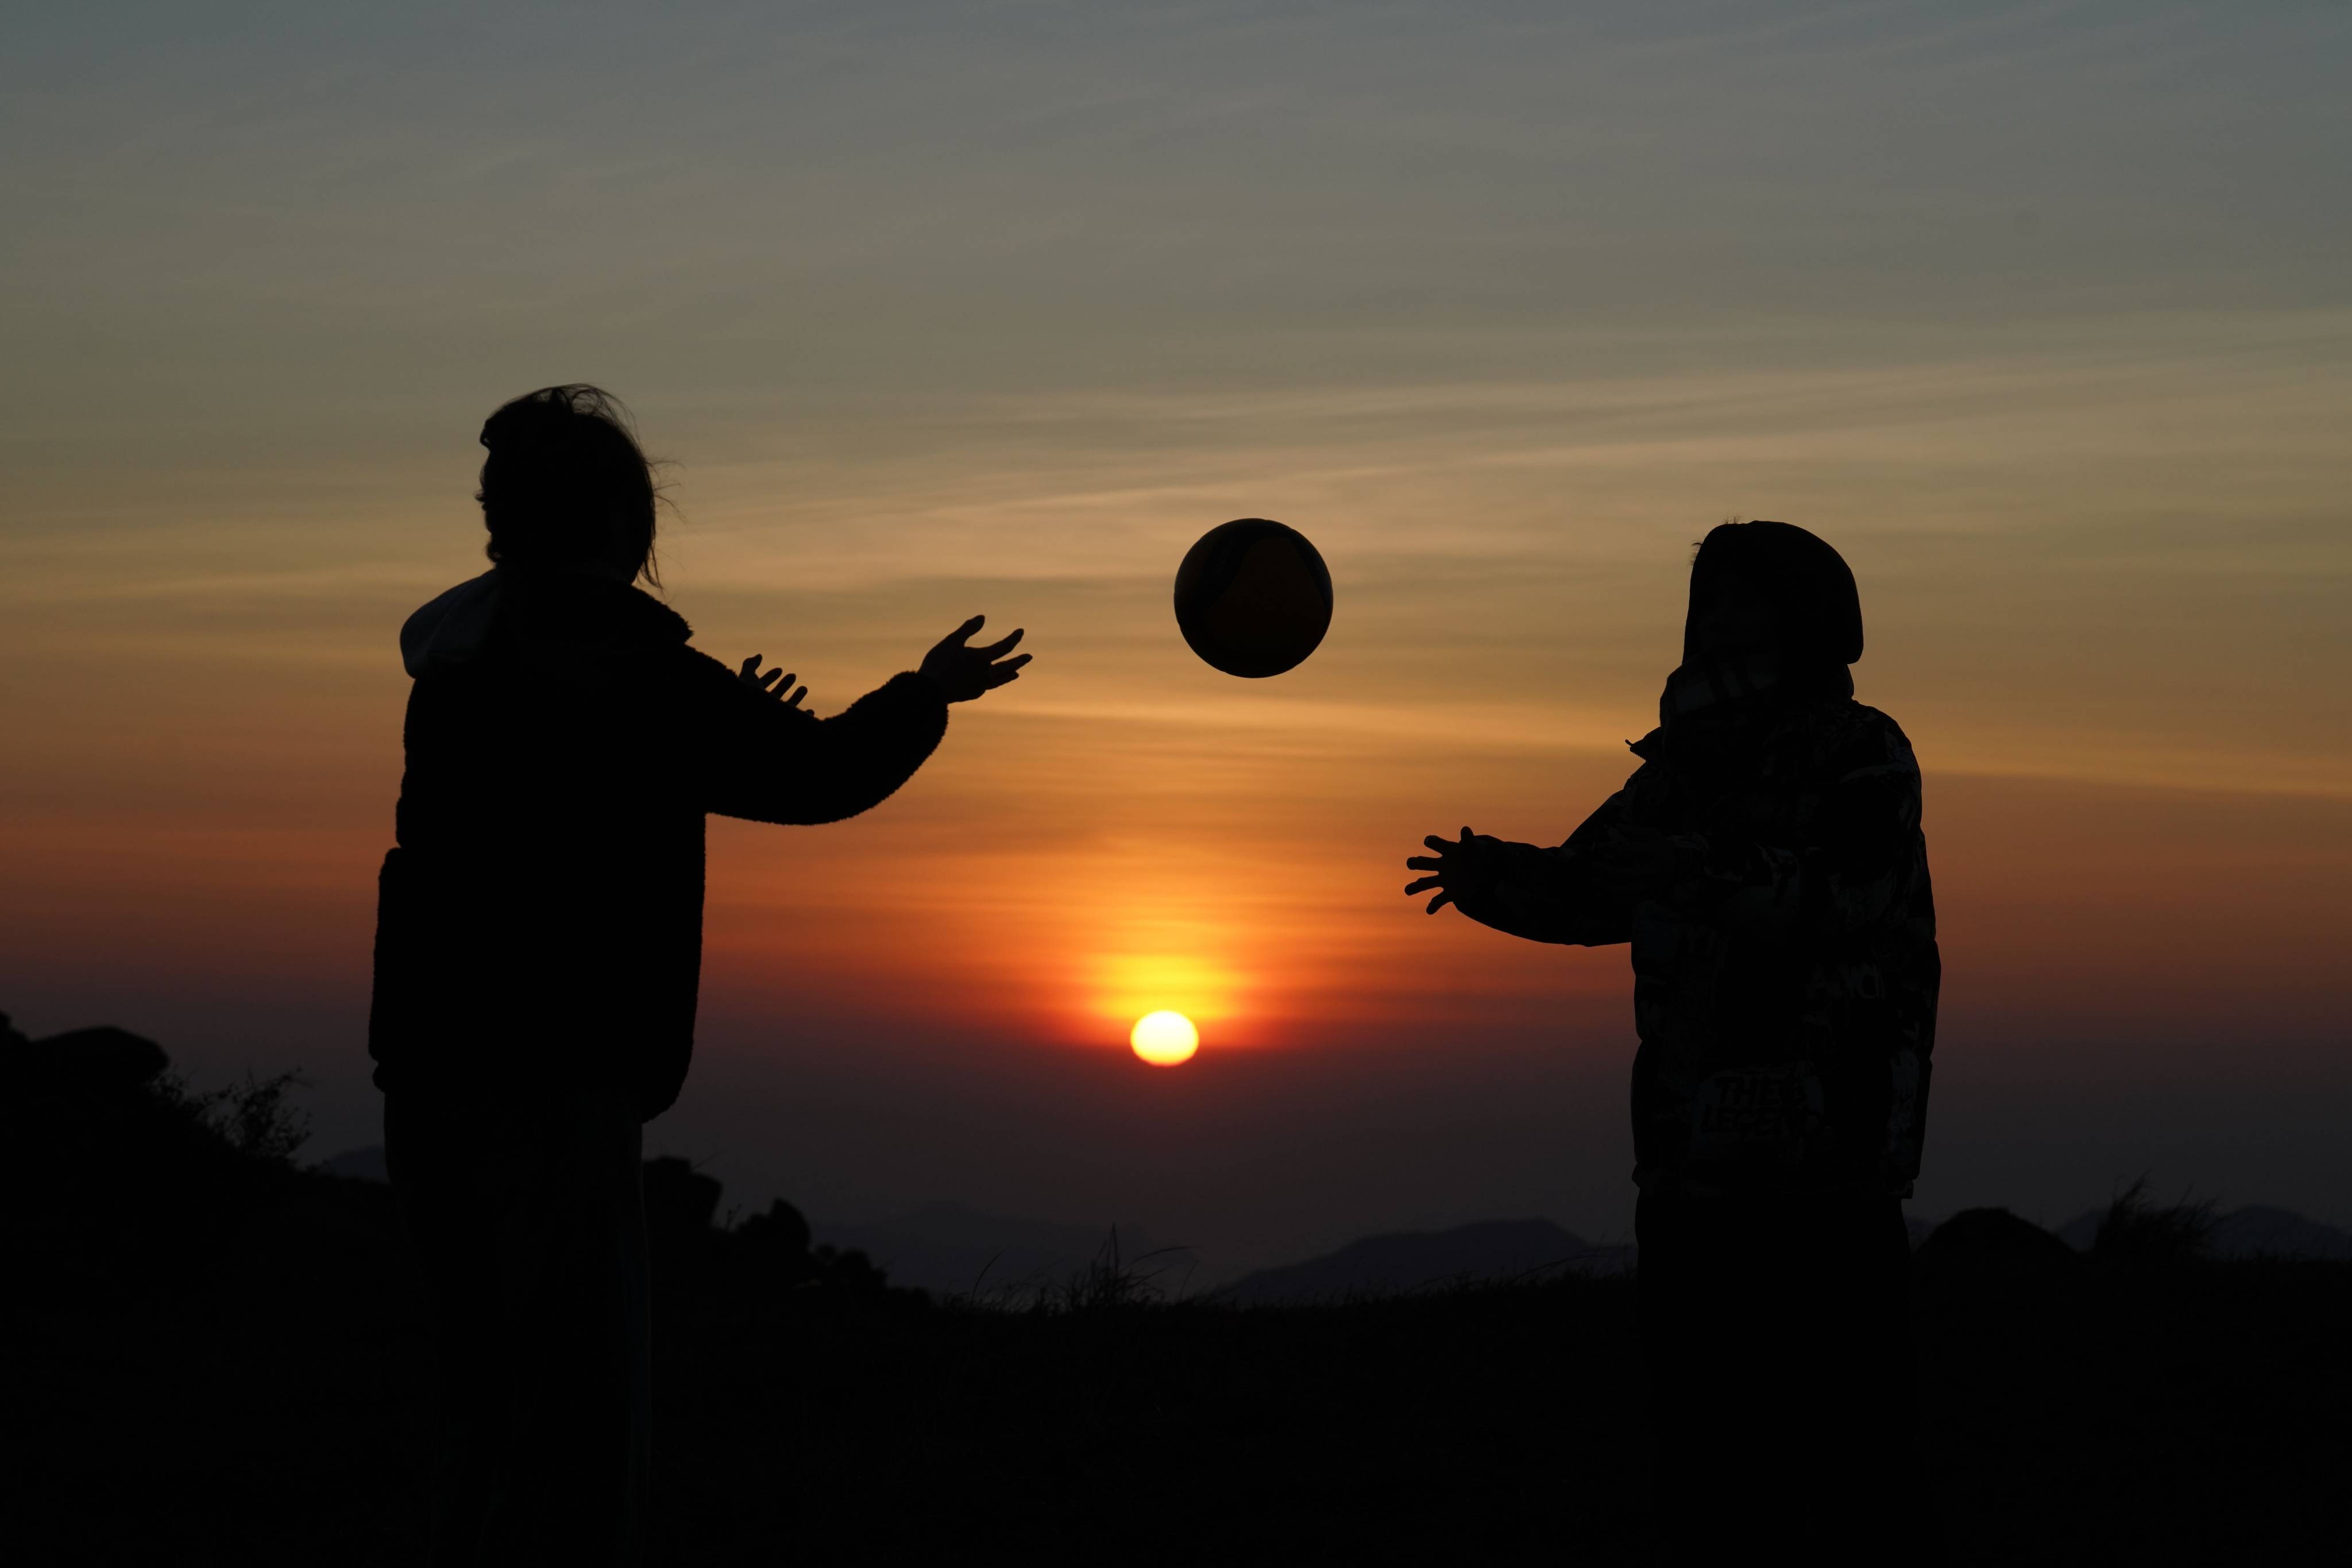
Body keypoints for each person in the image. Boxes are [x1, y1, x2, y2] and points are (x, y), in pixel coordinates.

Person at [368, 385, 1030, 1564]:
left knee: (472, 1396)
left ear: (499, 523)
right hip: (563, 1083)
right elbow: (819, 775)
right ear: (624, 522)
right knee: (576, 1424)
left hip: (429, 1073)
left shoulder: (459, 665)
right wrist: (927, 691)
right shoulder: (637, 678)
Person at [1402, 520, 1938, 1561]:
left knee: (1851, 1444)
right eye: (1712, 599)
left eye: (1749, 597)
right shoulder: (1679, 769)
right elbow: (1593, 883)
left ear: (1813, 615)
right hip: (1693, 1158)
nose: (1722, 618)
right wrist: (1494, 878)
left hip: (1831, 1153)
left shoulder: (1866, 750)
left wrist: (1695, 872)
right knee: (1703, 1445)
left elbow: (1845, 892)